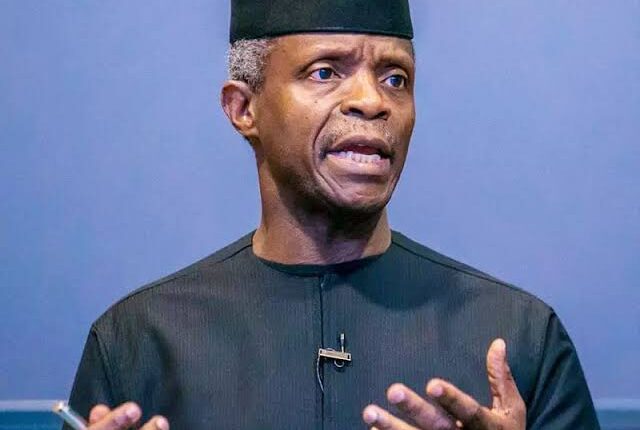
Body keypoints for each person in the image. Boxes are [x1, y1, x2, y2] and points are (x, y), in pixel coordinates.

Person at [65, 1, 600, 429]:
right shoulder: (138, 343)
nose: (371, 101)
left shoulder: (518, 339)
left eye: (395, 79)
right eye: (325, 72)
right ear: (243, 108)